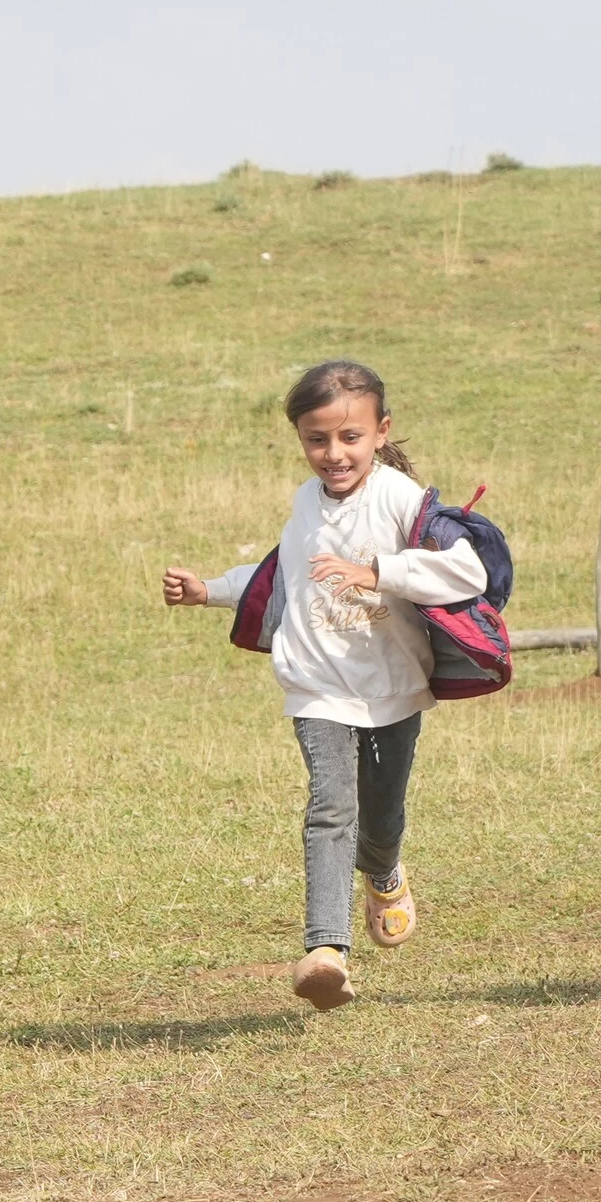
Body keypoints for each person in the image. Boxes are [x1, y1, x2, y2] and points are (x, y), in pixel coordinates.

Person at [163, 360, 493, 1012]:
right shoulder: (302, 504)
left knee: (383, 813)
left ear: (380, 432)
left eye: (349, 438)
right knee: (330, 807)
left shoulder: (401, 498)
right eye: (317, 440)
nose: (333, 454)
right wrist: (210, 591)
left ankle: (385, 870)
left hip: (394, 686)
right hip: (315, 684)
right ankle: (326, 951)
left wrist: (377, 571)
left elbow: (467, 573)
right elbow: (281, 577)